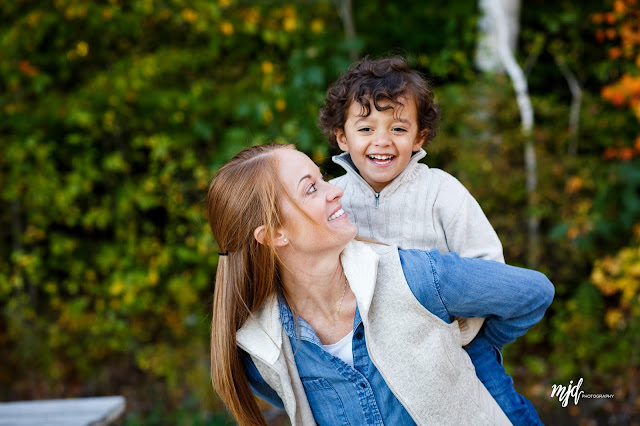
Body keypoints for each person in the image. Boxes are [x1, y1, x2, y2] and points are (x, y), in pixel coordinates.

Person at [206, 143, 554, 425]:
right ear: (274, 235)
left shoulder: (414, 278)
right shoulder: (262, 348)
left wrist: (466, 344)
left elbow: (534, 294)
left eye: (322, 178)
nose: (336, 192)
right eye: (311, 188)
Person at [318, 56, 541, 424]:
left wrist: (467, 330)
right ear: (343, 136)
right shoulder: (332, 197)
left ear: (420, 136)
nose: (382, 141)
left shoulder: (441, 191)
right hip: (381, 351)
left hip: (457, 343)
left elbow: (490, 270)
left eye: (399, 129)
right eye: (366, 128)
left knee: (507, 413)